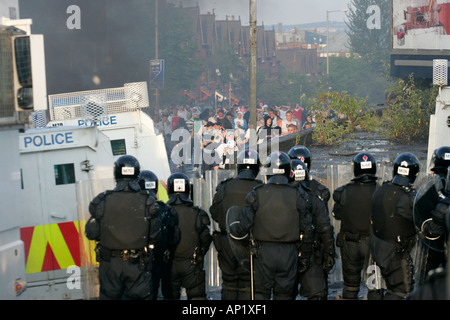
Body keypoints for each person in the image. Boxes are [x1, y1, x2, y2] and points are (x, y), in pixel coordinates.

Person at [229, 151, 314, 300]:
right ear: (289, 170)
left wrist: (233, 227)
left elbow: (243, 226)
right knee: (284, 295)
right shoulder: (298, 195)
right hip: (289, 253)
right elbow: (307, 229)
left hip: (263, 253)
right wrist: (304, 256)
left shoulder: (256, 194)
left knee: (261, 294)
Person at [85, 155, 161, 300]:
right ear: (137, 174)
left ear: (116, 173)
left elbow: (91, 233)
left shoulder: (103, 200)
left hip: (110, 265)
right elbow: (155, 235)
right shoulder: (147, 201)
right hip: (138, 264)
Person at [209, 149, 263, 300]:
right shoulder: (260, 188)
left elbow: (214, 212)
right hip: (251, 242)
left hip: (227, 241)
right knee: (248, 282)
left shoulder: (225, 186)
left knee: (229, 283)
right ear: (256, 168)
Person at [370, 152, 420, 299]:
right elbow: (419, 220)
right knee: (402, 291)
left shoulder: (381, 189)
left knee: (383, 290)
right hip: (396, 252)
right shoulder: (407, 197)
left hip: (379, 247)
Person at [332, 152, 379, 299]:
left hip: (350, 244)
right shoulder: (380, 191)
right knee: (374, 287)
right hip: (372, 246)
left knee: (351, 287)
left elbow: (337, 214)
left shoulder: (343, 192)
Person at [290, 159, 335, 300]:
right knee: (316, 294)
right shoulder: (315, 198)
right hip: (311, 252)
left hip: (288, 252)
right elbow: (325, 228)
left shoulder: (281, 196)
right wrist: (330, 253)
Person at [167, 173, 212, 299]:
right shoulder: (197, 213)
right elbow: (206, 239)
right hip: (192, 264)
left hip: (170, 264)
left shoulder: (164, 212)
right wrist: (199, 254)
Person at [138, 170, 180, 300]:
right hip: (158, 261)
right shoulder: (164, 209)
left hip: (137, 262)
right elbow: (173, 237)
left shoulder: (134, 209)